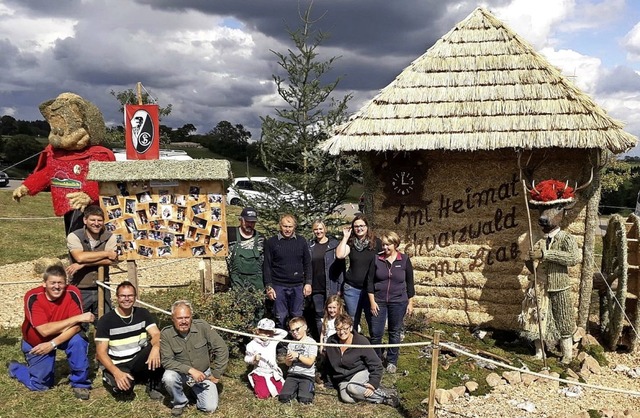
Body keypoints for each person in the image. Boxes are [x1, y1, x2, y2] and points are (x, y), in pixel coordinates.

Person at [7, 265, 94, 399]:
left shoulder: (73, 292)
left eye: (60, 283)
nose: (57, 287)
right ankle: (16, 368)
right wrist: (77, 318)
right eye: (52, 283)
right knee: (41, 386)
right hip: (37, 341)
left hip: (63, 337)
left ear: (66, 283)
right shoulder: (33, 297)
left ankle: (80, 383)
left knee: (78, 341)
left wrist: (53, 343)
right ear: (44, 283)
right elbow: (44, 331)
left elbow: (76, 327)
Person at [94, 281, 163, 400]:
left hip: (138, 359)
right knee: (125, 392)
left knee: (162, 345)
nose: (127, 299)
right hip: (119, 363)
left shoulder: (143, 313)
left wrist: (156, 348)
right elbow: (100, 352)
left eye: (130, 296)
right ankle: (110, 375)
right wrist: (116, 372)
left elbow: (157, 334)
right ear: (117, 297)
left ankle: (152, 384)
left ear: (135, 297)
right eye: (123, 296)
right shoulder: (106, 320)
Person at [161, 300, 229, 416]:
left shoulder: (202, 327)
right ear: (172, 318)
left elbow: (222, 348)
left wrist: (217, 373)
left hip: (204, 375)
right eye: (179, 318)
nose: (183, 321)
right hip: (181, 374)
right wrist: (191, 370)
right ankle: (180, 402)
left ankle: (194, 391)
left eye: (187, 317)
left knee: (210, 408)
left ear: (191, 317)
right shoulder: (166, 334)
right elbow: (167, 361)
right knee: (168, 377)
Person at [324, 314, 398, 406]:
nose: (341, 332)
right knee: (346, 398)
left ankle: (385, 396)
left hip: (360, 372)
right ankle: (376, 396)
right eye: (338, 329)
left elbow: (377, 364)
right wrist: (329, 382)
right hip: (343, 378)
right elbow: (328, 364)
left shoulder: (360, 341)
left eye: (345, 329)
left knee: (352, 388)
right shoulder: (331, 342)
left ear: (350, 328)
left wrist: (373, 383)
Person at [368, 231, 415, 374]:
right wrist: (372, 302)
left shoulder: (404, 260)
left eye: (388, 244)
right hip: (379, 301)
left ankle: (392, 361)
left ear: (395, 245)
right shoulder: (377, 259)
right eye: (383, 244)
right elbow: (369, 282)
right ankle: (376, 360)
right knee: (376, 333)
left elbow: (410, 283)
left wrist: (410, 302)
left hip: (398, 301)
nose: (385, 247)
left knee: (394, 332)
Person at [66, 205, 118, 317]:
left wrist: (83, 264)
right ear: (85, 220)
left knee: (104, 322)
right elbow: (79, 257)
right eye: (92, 220)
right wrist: (106, 253)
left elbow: (112, 261)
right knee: (78, 324)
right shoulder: (74, 236)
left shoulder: (110, 237)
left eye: (99, 220)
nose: (96, 223)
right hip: (80, 287)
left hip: (103, 286)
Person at [263, 214, 312, 330]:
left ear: (294, 227)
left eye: (290, 226)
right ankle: (282, 345)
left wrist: (308, 282)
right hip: (279, 285)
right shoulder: (272, 242)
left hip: (298, 286)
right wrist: (269, 286)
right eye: (285, 226)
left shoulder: (301, 241)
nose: (287, 229)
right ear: (280, 226)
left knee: (297, 317)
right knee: (280, 317)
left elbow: (307, 264)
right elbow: (267, 266)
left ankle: (297, 343)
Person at [336, 215, 381, 333]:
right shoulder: (351, 243)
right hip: (352, 289)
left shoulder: (376, 243)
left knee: (373, 319)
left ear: (367, 227)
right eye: (356, 226)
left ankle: (373, 347)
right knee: (352, 320)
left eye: (361, 226)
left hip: (371, 290)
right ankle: (354, 346)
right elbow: (340, 255)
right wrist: (345, 237)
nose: (359, 228)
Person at [226, 206, 265, 323]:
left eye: (253, 222)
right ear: (240, 220)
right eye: (247, 221)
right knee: (239, 309)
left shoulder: (261, 238)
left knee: (258, 309)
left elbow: (267, 263)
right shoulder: (230, 233)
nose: (250, 224)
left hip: (257, 281)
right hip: (237, 280)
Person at [308, 219, 345, 339]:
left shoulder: (334, 245)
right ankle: (322, 342)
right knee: (319, 315)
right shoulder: (310, 246)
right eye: (316, 229)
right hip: (316, 286)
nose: (318, 231)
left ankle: (335, 341)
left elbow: (341, 267)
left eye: (320, 229)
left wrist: (340, 287)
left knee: (333, 314)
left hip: (331, 285)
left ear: (325, 229)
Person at [244, 318, 288, 399]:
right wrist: (254, 359)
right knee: (263, 395)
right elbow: (246, 358)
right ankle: (257, 382)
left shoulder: (273, 341)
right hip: (260, 372)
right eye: (263, 331)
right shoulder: (251, 344)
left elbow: (284, 333)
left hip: (272, 371)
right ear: (258, 331)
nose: (266, 334)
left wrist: (272, 332)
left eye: (269, 332)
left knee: (282, 391)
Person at [278, 317, 318, 404]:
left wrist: (298, 356)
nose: (295, 332)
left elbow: (310, 362)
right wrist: (288, 360)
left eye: (297, 329)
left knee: (305, 400)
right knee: (283, 398)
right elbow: (288, 364)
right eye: (292, 331)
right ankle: (294, 389)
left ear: (305, 327)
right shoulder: (291, 344)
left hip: (307, 376)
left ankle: (304, 390)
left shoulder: (312, 343)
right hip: (293, 374)